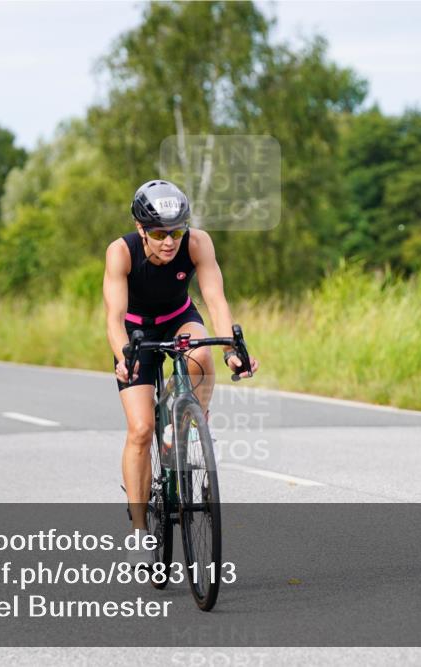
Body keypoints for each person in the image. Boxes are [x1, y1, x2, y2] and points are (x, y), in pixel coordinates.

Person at [103, 180, 259, 566]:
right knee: (140, 429)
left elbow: (216, 300)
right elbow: (113, 317)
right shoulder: (121, 253)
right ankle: (139, 531)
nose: (169, 241)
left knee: (202, 349)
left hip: (178, 319)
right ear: (141, 229)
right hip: (136, 333)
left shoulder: (198, 243)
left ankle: (185, 421)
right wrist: (124, 356)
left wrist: (231, 353)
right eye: (158, 233)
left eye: (176, 230)